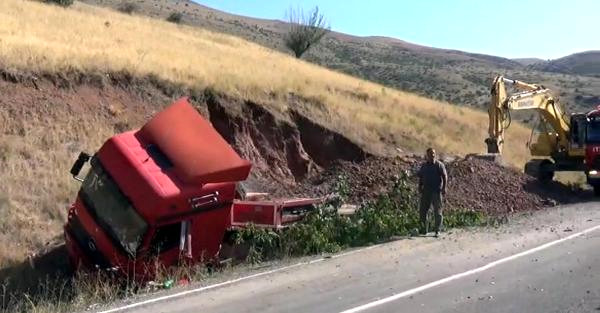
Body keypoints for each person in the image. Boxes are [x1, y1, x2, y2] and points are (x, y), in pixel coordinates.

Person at [417, 148, 448, 237]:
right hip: (426, 191)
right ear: (427, 155)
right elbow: (421, 176)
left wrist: (444, 188)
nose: (432, 155)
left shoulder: (439, 165)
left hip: (436, 191)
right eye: (430, 154)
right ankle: (423, 230)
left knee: (437, 211)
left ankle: (437, 230)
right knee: (423, 211)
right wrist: (419, 186)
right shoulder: (424, 166)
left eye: (433, 153)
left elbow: (445, 176)